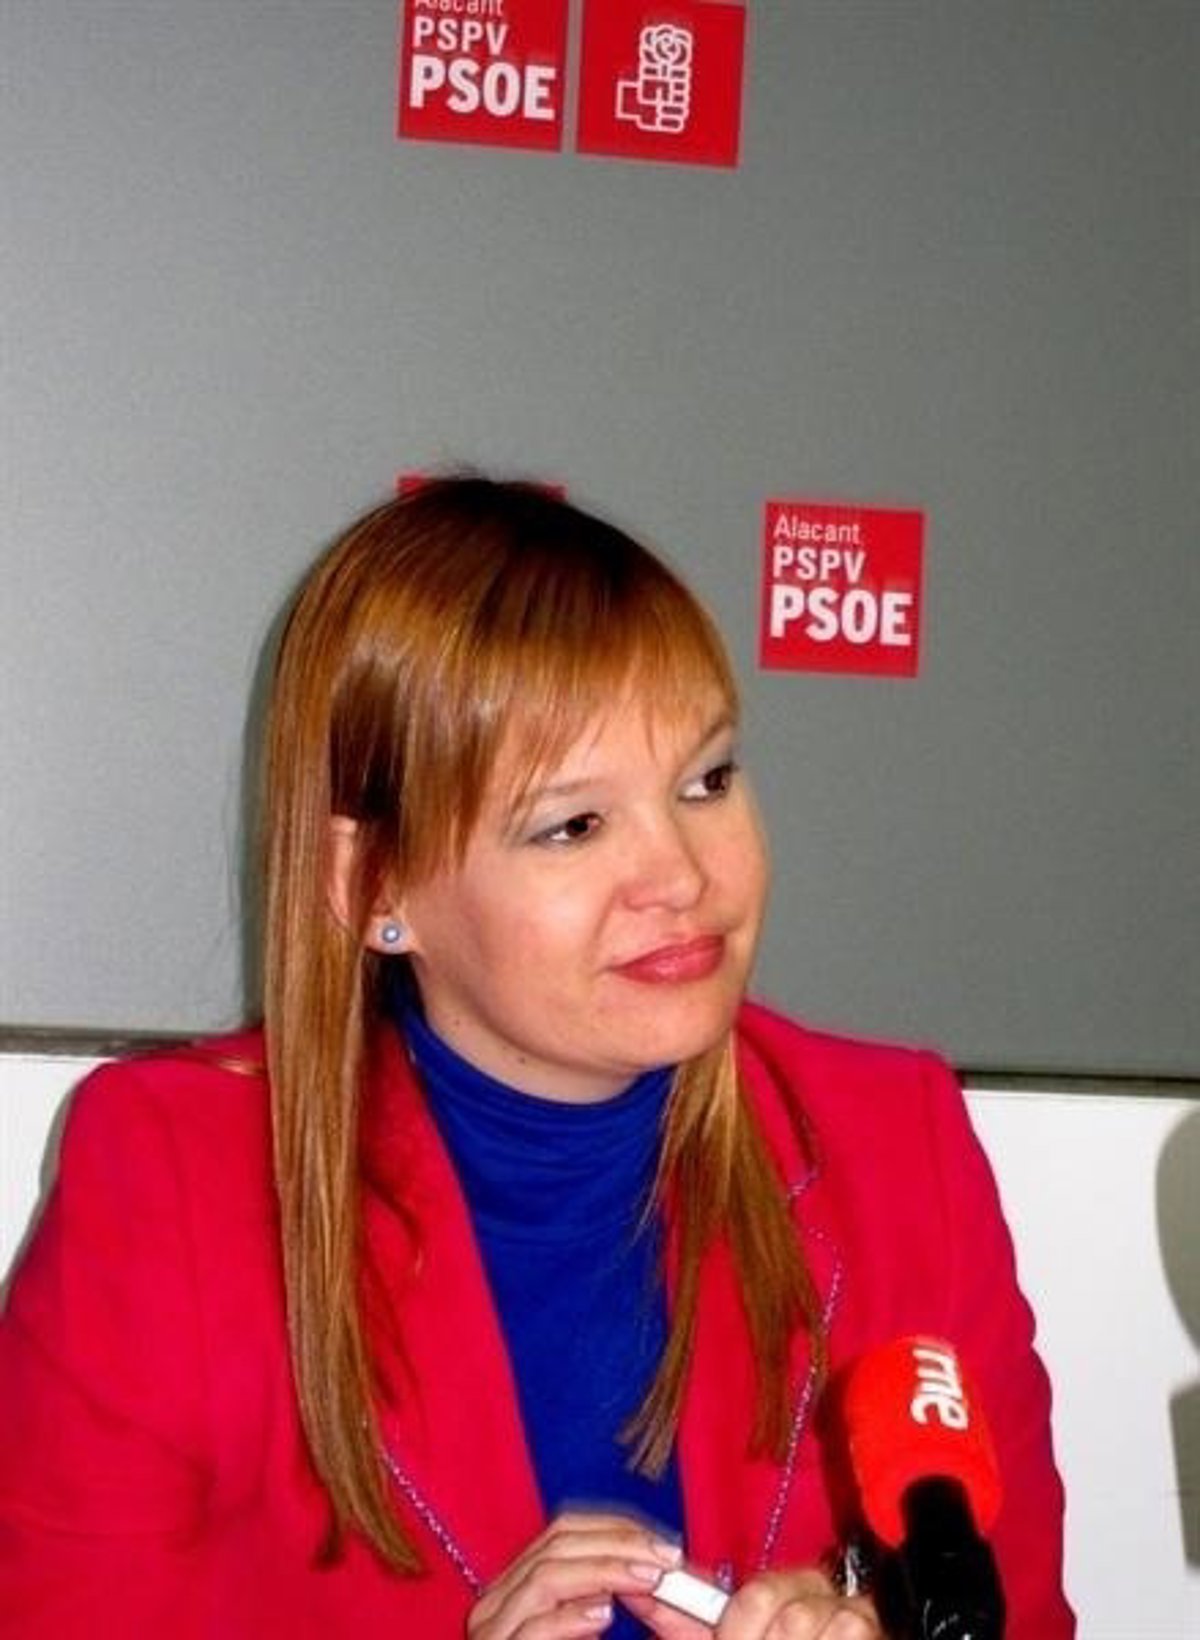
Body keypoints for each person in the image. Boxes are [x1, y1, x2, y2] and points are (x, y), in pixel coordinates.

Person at [0, 478, 1074, 1638]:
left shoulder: (896, 1144)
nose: (684, 874)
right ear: (372, 884)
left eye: (707, 779)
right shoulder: (169, 1178)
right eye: (573, 824)